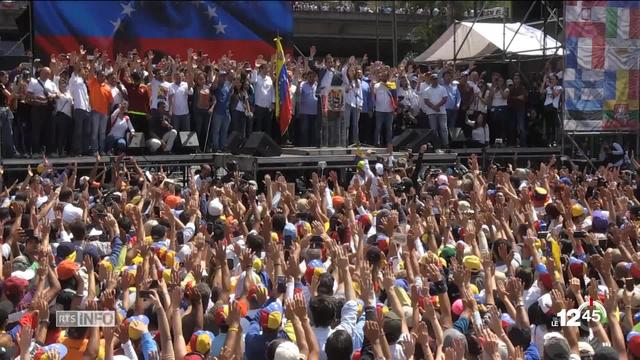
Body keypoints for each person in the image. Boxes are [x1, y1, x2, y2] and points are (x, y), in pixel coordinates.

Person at [27, 67, 58, 157]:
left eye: (48, 73)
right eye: (45, 73)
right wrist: (38, 98)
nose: (47, 75)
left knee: (50, 130)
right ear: (41, 73)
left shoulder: (51, 83)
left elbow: (57, 94)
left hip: (49, 108)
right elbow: (29, 94)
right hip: (38, 108)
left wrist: (52, 95)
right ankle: (36, 151)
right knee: (36, 130)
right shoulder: (34, 82)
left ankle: (50, 151)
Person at [68, 56, 91, 156]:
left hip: (86, 109)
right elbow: (76, 69)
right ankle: (76, 150)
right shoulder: (74, 79)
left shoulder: (84, 83)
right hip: (78, 108)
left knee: (86, 132)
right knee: (78, 132)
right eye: (83, 71)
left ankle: (84, 150)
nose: (85, 73)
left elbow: (86, 98)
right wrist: (80, 58)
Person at [87, 68, 113, 156]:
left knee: (102, 133)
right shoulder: (93, 83)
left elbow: (110, 102)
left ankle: (102, 150)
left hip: (104, 113)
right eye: (101, 75)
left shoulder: (107, 87)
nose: (103, 77)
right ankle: (95, 150)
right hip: (95, 111)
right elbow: (91, 73)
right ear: (97, 76)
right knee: (94, 132)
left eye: (104, 76)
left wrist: (108, 113)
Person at [422, 73, 448, 148]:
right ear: (430, 80)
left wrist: (437, 106)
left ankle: (446, 144)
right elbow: (426, 101)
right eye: (433, 79)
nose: (435, 80)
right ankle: (437, 145)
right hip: (431, 112)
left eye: (436, 79)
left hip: (442, 112)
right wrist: (434, 107)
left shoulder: (442, 88)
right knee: (434, 130)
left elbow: (445, 98)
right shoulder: (427, 90)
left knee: (444, 128)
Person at [210, 70, 232, 152]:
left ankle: (222, 146)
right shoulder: (216, 86)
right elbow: (213, 87)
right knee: (216, 130)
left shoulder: (226, 86)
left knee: (224, 131)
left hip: (226, 112)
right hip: (217, 112)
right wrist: (216, 75)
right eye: (221, 76)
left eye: (224, 76)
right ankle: (216, 147)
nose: (223, 77)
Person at [373, 69, 395, 147]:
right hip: (379, 110)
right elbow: (373, 95)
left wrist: (386, 84)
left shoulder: (392, 84)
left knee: (389, 128)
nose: (384, 77)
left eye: (385, 76)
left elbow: (394, 93)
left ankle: (389, 143)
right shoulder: (376, 85)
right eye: (382, 76)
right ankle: (377, 142)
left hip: (389, 110)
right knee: (378, 127)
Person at [251, 63, 275, 136]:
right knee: (259, 126)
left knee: (268, 127)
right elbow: (252, 81)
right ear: (261, 69)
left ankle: (266, 144)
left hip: (268, 107)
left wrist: (273, 102)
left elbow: (272, 91)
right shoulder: (257, 78)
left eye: (267, 68)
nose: (267, 70)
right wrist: (255, 70)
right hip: (259, 106)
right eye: (265, 68)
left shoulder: (269, 79)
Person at [342, 63, 363, 146]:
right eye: (350, 70)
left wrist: (361, 104)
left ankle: (355, 141)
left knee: (355, 124)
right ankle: (345, 140)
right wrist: (347, 89)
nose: (352, 72)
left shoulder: (358, 81)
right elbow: (343, 71)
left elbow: (360, 94)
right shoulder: (345, 81)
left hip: (356, 104)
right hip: (347, 104)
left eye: (353, 70)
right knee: (346, 123)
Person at [297, 70, 319, 147]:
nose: (312, 78)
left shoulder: (317, 85)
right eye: (310, 76)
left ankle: (312, 146)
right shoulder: (303, 84)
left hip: (315, 112)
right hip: (305, 112)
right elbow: (297, 94)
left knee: (314, 130)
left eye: (313, 76)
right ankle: (304, 146)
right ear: (307, 77)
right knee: (304, 130)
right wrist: (298, 84)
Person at [53, 78, 73, 157]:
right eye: (61, 83)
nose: (63, 85)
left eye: (64, 83)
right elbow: (55, 96)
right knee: (61, 134)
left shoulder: (68, 93)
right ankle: (60, 151)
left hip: (69, 116)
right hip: (61, 115)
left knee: (66, 134)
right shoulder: (58, 93)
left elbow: (71, 103)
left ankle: (65, 150)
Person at [0, 71, 18, 158]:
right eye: (5, 77)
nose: (7, 79)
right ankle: (10, 152)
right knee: (7, 133)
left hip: (4, 110)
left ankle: (6, 152)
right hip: (2, 111)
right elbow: (10, 96)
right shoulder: (1, 86)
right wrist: (15, 88)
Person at [540, 74, 562, 144]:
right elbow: (541, 92)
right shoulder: (548, 88)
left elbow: (555, 95)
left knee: (553, 125)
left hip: (553, 107)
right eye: (551, 79)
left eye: (553, 79)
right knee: (547, 124)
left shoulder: (559, 87)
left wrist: (551, 87)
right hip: (547, 106)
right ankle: (547, 140)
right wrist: (544, 82)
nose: (552, 81)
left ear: (556, 80)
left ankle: (553, 140)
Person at [509, 72, 528, 146]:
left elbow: (524, 98)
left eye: (517, 79)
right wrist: (517, 98)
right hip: (513, 110)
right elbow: (509, 98)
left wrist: (516, 98)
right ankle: (513, 143)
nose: (516, 80)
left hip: (520, 110)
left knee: (521, 127)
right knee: (512, 127)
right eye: (515, 79)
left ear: (520, 80)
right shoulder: (511, 88)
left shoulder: (522, 88)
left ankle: (523, 144)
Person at [489, 75, 509, 146]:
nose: (499, 82)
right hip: (494, 108)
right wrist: (493, 84)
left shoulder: (506, 89)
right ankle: (495, 141)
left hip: (502, 108)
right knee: (495, 125)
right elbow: (491, 96)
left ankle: (502, 141)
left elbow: (504, 96)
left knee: (502, 125)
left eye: (500, 81)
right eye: (498, 81)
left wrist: (500, 88)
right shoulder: (494, 89)